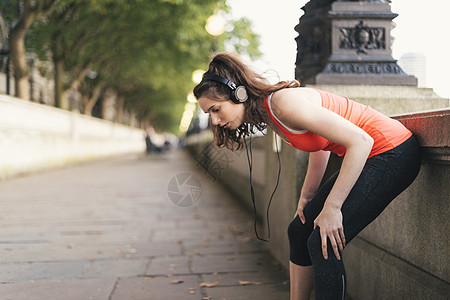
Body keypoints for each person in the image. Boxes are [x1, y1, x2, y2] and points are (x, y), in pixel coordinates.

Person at [193, 53, 421, 300]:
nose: (215, 120)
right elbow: (321, 143)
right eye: (209, 115)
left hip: (392, 153)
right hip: (372, 156)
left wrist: (333, 208)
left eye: (216, 109)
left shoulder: (283, 105)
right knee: (299, 230)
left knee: (322, 240)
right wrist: (307, 197)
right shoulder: (269, 112)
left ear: (238, 94)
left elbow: (361, 141)